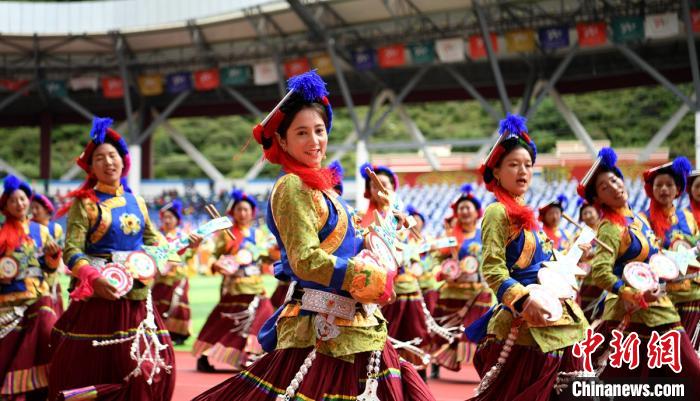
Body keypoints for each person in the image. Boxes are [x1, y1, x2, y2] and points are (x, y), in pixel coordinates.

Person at [192, 70, 434, 401]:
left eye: (319, 131)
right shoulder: (292, 185)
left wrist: (383, 241)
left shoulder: (326, 192)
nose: (314, 140)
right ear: (282, 140)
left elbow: (356, 241)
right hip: (321, 325)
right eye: (301, 133)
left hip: (357, 319)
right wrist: (367, 276)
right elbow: (305, 260)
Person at [48, 117, 201, 401]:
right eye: (100, 158)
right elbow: (71, 251)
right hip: (100, 299)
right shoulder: (85, 203)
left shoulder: (138, 202)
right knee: (93, 365)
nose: (108, 162)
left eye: (113, 156)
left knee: (148, 365)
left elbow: (155, 243)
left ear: (123, 161)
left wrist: (183, 246)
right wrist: (94, 279)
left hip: (138, 299)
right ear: (91, 167)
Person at [467, 115, 587, 401]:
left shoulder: (529, 215)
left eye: (528, 165)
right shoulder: (498, 212)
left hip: (555, 317)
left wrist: (573, 259)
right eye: (513, 164)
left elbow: (546, 262)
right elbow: (493, 270)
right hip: (522, 321)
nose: (523, 171)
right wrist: (522, 299)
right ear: (496, 171)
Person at [580, 148, 700, 389]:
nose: (614, 187)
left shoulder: (637, 220)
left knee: (645, 379)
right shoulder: (610, 228)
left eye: (614, 180)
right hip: (632, 310)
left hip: (657, 306)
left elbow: (654, 258)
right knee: (686, 371)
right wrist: (632, 294)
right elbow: (602, 272)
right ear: (598, 200)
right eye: (604, 188)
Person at [193, 189, 276, 372]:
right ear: (233, 211)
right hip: (234, 288)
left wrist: (275, 253)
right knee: (225, 323)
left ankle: (250, 355)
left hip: (255, 286)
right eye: (239, 209)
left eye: (246, 209)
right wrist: (217, 266)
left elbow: (266, 258)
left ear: (252, 212)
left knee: (264, 317)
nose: (243, 213)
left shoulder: (259, 235)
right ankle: (206, 355)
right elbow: (213, 256)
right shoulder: (226, 234)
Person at [0, 175, 61, 401]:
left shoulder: (42, 232)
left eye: (23, 199)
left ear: (29, 200)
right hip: (7, 302)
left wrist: (53, 256)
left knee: (47, 326)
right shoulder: (0, 233)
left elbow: (49, 268)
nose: (20, 204)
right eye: (13, 200)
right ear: (5, 206)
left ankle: (45, 384)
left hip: (37, 295)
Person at [431, 184, 493, 377]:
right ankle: (435, 364)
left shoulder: (484, 234)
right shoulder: (449, 237)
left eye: (468, 207)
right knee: (444, 329)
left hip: (477, 290)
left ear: (477, 212)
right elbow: (435, 260)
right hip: (452, 289)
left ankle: (482, 366)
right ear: (457, 213)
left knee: (478, 328)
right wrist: (442, 271)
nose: (465, 211)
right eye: (461, 208)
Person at [640, 157, 700, 350]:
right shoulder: (643, 219)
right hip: (661, 294)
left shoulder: (689, 217)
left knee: (689, 349)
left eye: (669, 185)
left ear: (678, 189)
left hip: (692, 293)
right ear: (651, 190)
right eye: (659, 185)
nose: (664, 189)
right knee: (665, 351)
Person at [152, 200, 193, 345]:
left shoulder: (183, 236)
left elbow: (189, 254)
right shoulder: (157, 236)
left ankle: (179, 333)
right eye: (165, 217)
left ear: (177, 220)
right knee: (158, 304)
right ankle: (159, 331)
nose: (168, 220)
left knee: (178, 304)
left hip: (178, 277)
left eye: (171, 217)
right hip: (161, 277)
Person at [30, 193, 65, 315]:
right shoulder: (29, 228)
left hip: (52, 275)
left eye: (37, 208)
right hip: (34, 277)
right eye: (32, 208)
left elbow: (60, 250)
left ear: (46, 209)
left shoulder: (55, 228)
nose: (33, 211)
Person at [575, 199, 604, 321]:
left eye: (590, 212)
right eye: (584, 213)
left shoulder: (605, 231)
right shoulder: (579, 234)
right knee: (584, 309)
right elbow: (576, 256)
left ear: (597, 213)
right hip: (585, 278)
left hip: (602, 275)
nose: (587, 216)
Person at [359, 163, 399, 228]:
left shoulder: (403, 213)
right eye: (374, 186)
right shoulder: (361, 217)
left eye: (384, 185)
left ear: (392, 186)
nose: (379, 190)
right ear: (370, 190)